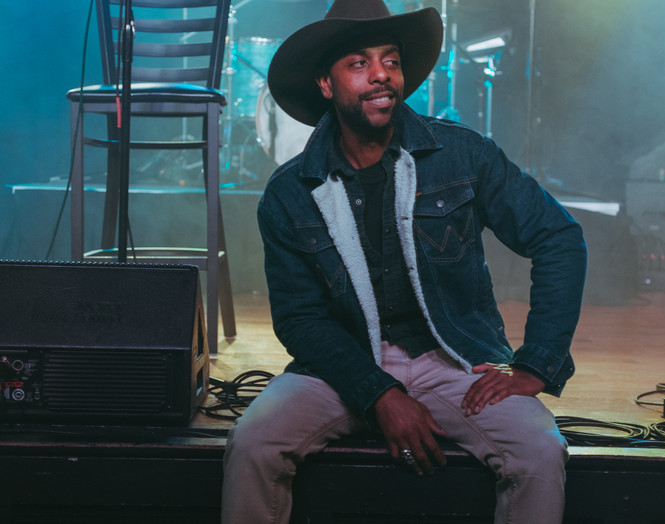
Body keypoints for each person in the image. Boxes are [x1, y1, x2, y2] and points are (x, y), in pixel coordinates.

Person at [221, 1, 587, 523]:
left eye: (390, 61)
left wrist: (536, 363)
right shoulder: (289, 192)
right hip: (342, 369)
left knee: (540, 451)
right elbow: (300, 319)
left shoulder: (462, 154)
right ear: (326, 84)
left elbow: (558, 236)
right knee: (253, 443)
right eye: (359, 63)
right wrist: (379, 393)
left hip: (455, 360)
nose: (381, 75)